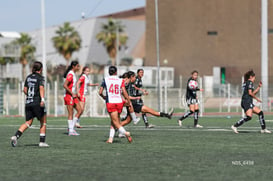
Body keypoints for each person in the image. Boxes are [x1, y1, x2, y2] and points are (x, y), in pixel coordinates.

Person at [11, 61, 49, 147]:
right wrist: (42, 99)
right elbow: (41, 88)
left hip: (28, 103)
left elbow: (24, 90)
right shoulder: (40, 78)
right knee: (43, 121)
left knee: (28, 122)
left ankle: (15, 136)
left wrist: (30, 97)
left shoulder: (28, 77)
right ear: (41, 69)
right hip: (37, 102)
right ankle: (42, 142)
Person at [99, 66, 132, 144]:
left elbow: (100, 92)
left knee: (115, 122)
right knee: (114, 121)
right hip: (119, 102)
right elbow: (124, 91)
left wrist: (104, 97)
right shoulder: (120, 80)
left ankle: (125, 133)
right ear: (116, 72)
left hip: (111, 102)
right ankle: (110, 139)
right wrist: (128, 100)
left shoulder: (106, 80)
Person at [63, 60, 83, 136]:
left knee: (80, 110)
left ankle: (71, 128)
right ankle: (71, 130)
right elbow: (65, 85)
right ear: (73, 66)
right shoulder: (70, 74)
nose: (78, 67)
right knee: (71, 113)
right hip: (69, 96)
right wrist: (72, 93)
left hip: (73, 96)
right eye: (77, 66)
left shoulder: (73, 74)